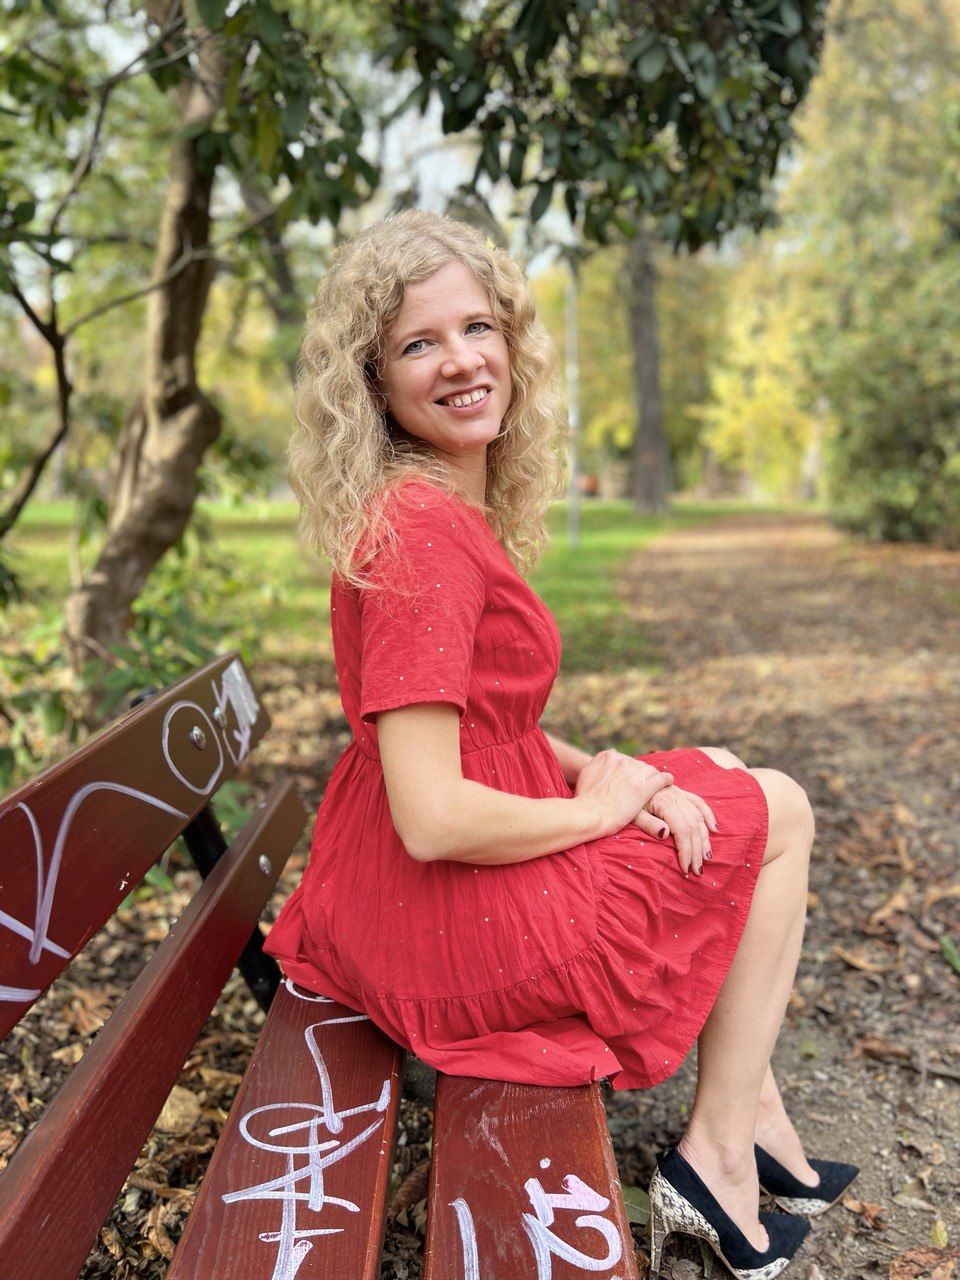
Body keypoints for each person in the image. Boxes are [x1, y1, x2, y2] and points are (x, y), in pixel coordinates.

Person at [264, 208, 857, 1277]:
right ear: (374, 381)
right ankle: (718, 1158)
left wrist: (613, 774)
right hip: (445, 917)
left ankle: (753, 1107)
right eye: (419, 343)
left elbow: (488, 720)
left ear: (511, 340)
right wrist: (599, 808)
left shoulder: (433, 508)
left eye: (477, 327)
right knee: (782, 810)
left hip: (401, 890)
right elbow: (433, 815)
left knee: (720, 777)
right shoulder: (421, 537)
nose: (461, 361)